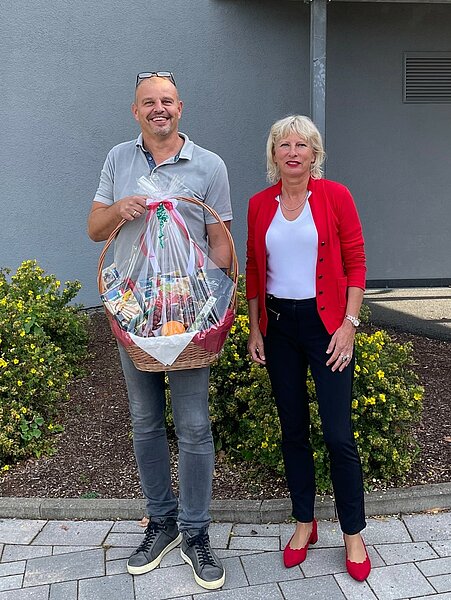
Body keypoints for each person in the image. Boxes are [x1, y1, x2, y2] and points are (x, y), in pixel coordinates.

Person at [87, 71, 232, 590]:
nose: (158, 109)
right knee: (145, 420)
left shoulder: (209, 165)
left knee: (193, 425)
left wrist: (218, 303)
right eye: (148, 102)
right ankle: (161, 522)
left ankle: (195, 531)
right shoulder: (118, 159)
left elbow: (219, 239)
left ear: (180, 107)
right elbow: (94, 229)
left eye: (166, 100)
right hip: (133, 312)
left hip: (187, 313)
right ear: (136, 111)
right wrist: (119, 210)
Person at [246, 115, 371, 581]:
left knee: (338, 434)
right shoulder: (260, 204)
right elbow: (254, 268)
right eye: (284, 145)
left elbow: (356, 262)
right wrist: (255, 328)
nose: (293, 152)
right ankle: (304, 522)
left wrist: (348, 326)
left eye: (302, 145)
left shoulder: (336, 196)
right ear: (273, 154)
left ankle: (353, 533)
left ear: (314, 154)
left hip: (327, 328)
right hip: (279, 327)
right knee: (293, 429)